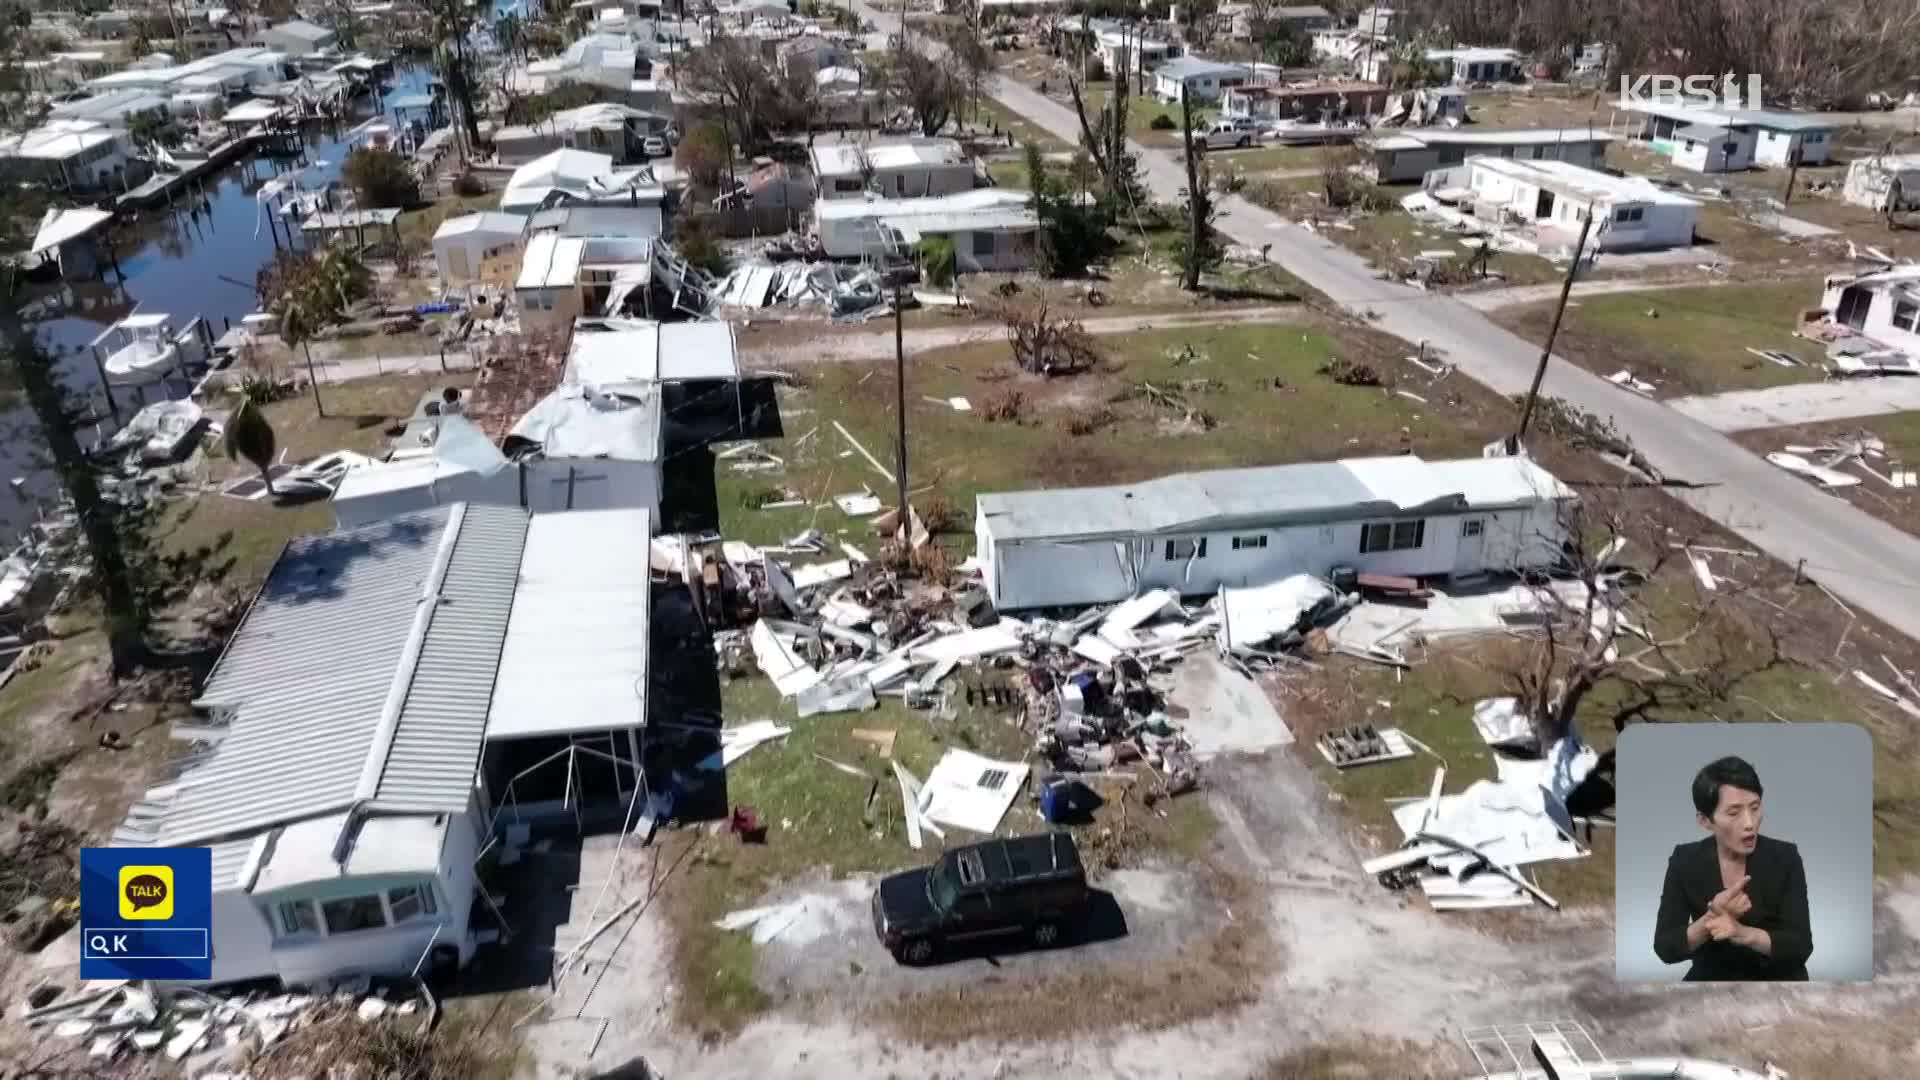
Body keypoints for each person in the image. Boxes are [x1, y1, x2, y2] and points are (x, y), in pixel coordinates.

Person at [1653, 756, 1812, 981]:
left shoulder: (1785, 857)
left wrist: (1742, 933)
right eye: (1734, 812)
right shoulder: (1684, 860)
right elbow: (1665, 948)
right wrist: (1710, 921)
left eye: (1754, 808)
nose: (1749, 823)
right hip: (1711, 982)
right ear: (1705, 821)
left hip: (1778, 982)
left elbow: (1801, 946)